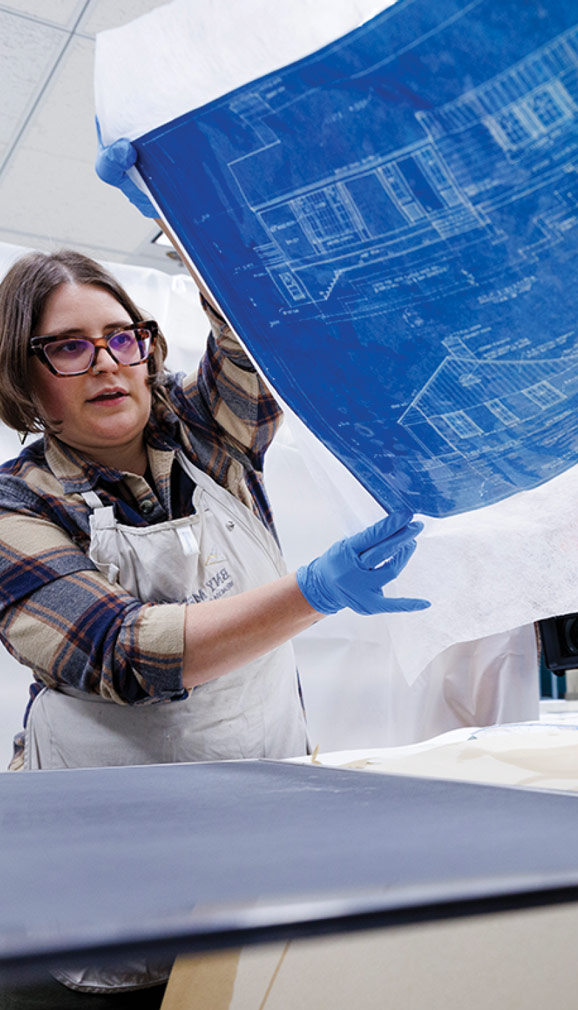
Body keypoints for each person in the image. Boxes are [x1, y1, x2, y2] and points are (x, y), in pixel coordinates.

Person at [0, 245, 429, 1005]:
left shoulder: (208, 438)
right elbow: (121, 652)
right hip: (105, 890)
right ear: (21, 374)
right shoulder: (17, 509)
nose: (106, 362)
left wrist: (189, 213)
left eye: (121, 336)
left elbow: (252, 330)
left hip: (262, 850)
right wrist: (316, 591)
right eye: (68, 347)